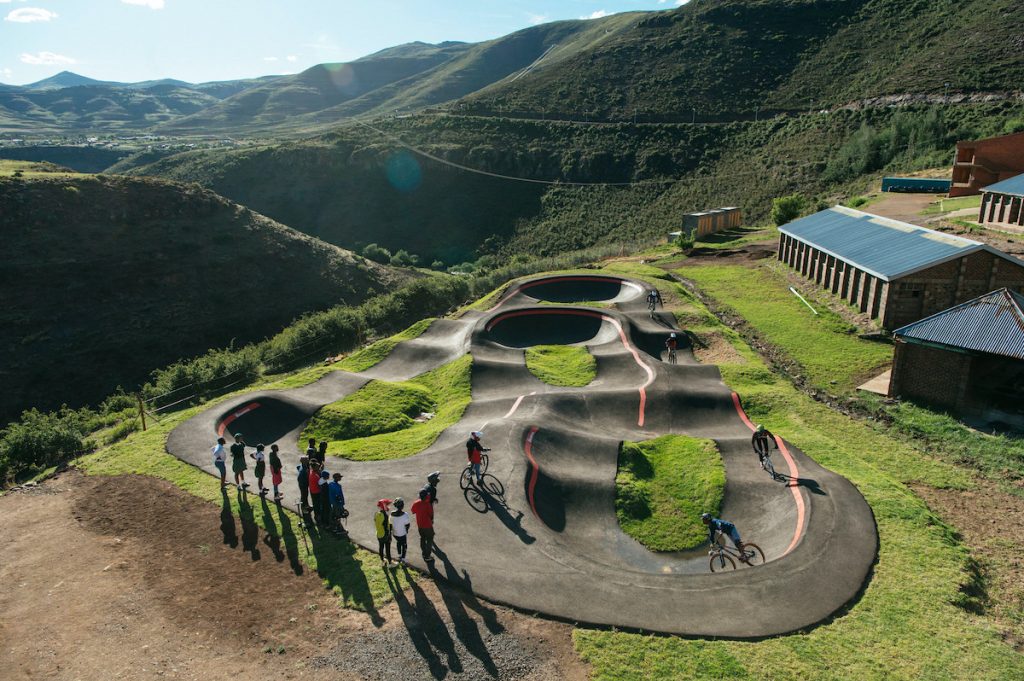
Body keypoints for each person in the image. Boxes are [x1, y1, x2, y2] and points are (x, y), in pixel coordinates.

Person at [410, 489, 435, 562]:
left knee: (422, 538)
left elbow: (413, 511)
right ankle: (427, 556)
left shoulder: (416, 503)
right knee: (429, 540)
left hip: (420, 525)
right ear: (426, 496)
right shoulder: (428, 504)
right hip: (427, 526)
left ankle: (424, 553)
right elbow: (431, 515)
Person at [391, 497, 411, 565]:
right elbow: (407, 524)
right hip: (402, 533)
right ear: (402, 506)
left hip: (395, 533)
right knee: (404, 545)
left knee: (398, 542)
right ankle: (403, 559)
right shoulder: (405, 515)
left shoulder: (391, 514)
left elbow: (390, 523)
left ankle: (399, 555)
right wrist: (407, 530)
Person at [374, 499, 393, 563]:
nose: (388, 506)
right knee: (387, 549)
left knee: (381, 547)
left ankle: (382, 560)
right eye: (387, 505)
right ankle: (390, 563)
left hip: (379, 534)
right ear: (383, 506)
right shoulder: (385, 516)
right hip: (385, 535)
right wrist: (389, 536)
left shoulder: (376, 514)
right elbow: (386, 528)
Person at [308, 460, 324, 524]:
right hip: (316, 492)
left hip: (312, 491)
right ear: (314, 467)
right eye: (317, 466)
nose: (318, 467)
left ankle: (317, 516)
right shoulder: (315, 476)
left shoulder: (311, 472)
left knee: (315, 504)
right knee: (317, 505)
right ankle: (318, 517)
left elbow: (318, 471)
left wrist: (321, 469)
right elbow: (320, 484)